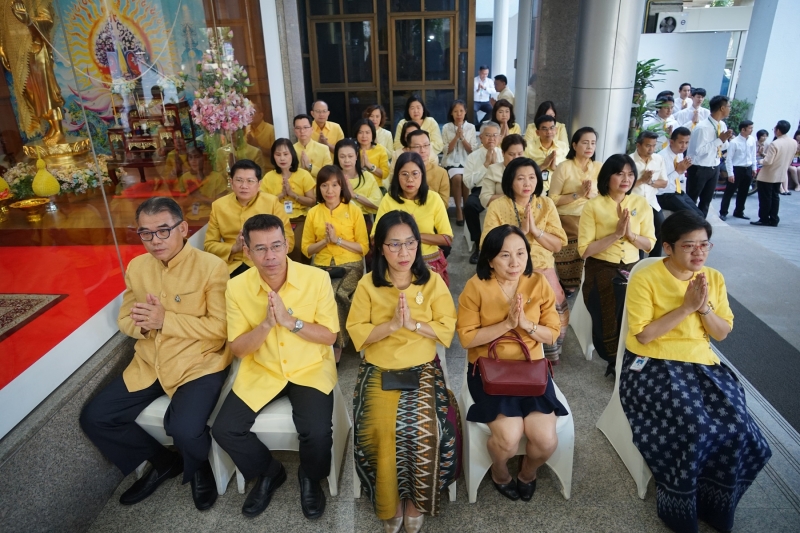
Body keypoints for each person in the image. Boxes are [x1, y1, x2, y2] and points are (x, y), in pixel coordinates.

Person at [619, 210, 771, 533]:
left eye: (705, 245)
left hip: (702, 364)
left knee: (740, 429)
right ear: (668, 248)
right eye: (689, 246)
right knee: (694, 428)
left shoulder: (713, 279)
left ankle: (714, 505)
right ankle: (679, 506)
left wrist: (703, 308)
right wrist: (686, 307)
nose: (699, 252)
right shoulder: (645, 277)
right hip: (652, 365)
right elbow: (644, 335)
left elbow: (721, 333)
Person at [80, 197, 231, 511]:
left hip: (197, 363)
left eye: (163, 231)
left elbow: (221, 328)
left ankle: (198, 468)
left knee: (184, 429)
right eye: (146, 233)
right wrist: (146, 328)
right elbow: (125, 319)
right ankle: (163, 462)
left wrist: (166, 320)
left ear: (183, 228)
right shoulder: (137, 267)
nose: (155, 240)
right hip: (150, 362)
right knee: (96, 418)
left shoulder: (211, 267)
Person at [211, 214, 339, 520]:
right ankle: (269, 471)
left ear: (286, 244)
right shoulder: (236, 287)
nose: (270, 256)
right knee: (224, 429)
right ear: (247, 250)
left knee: (317, 432)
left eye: (276, 246)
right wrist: (267, 325)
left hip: (309, 367)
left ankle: (310, 476)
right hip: (263, 368)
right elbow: (238, 348)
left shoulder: (316, 279)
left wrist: (290, 322)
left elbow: (329, 336)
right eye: (261, 249)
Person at [346, 211, 458, 533]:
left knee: (426, 428)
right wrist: (392, 326)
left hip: (422, 365)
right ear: (380, 248)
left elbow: (447, 327)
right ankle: (389, 500)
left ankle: (415, 501)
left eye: (410, 243)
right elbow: (357, 333)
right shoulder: (368, 284)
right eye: (394, 245)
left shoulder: (432, 281)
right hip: (379, 364)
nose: (404, 252)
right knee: (379, 428)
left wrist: (414, 325)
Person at [457, 224, 568, 502]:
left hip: (531, 370)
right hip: (489, 371)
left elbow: (552, 333)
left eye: (521, 253)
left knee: (545, 440)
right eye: (505, 255)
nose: (515, 262)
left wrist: (525, 325)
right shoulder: (475, 287)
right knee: (508, 437)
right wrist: (506, 324)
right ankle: (500, 471)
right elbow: (467, 339)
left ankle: (527, 472)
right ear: (490, 259)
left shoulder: (538, 282)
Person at [480, 159, 570, 363]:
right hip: (508, 268)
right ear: (510, 181)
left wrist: (536, 232)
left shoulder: (546, 204)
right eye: (520, 178)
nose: (527, 183)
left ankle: (546, 355)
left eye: (532, 177)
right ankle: (511, 350)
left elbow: (557, 246)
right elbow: (486, 245)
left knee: (554, 298)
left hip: (541, 267)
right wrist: (521, 231)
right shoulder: (498, 205)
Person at [578, 153, 655, 376]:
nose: (626, 179)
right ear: (607, 177)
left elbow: (649, 244)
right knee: (616, 293)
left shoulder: (640, 204)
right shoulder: (593, 206)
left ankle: (638, 351)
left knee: (647, 298)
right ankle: (613, 356)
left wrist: (630, 235)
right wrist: (616, 235)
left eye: (630, 174)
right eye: (619, 173)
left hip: (633, 265)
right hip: (601, 265)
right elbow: (584, 251)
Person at [302, 166, 368, 362]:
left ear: (342, 187)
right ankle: (335, 340)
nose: (329, 190)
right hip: (322, 265)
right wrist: (325, 241)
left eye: (334, 185)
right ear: (319, 188)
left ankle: (337, 346)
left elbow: (363, 247)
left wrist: (338, 240)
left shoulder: (353, 210)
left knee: (336, 293)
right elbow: (306, 249)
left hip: (350, 264)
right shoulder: (313, 213)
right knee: (323, 294)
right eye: (324, 185)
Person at [374, 152, 453, 285]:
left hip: (428, 259)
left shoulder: (433, 198)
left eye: (415, 173)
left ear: (422, 175)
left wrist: (413, 235)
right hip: (397, 260)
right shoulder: (388, 200)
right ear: (397, 176)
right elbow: (375, 237)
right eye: (404, 174)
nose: (410, 179)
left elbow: (447, 239)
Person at [204, 159, 294, 276]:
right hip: (232, 266)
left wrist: (265, 250)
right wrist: (233, 248)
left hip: (266, 264)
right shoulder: (218, 206)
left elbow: (289, 242)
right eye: (239, 180)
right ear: (231, 182)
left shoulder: (272, 203)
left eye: (250, 181)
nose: (244, 186)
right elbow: (209, 245)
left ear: (259, 184)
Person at [548, 127, 600, 294]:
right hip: (568, 215)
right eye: (585, 142)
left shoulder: (599, 167)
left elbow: (605, 195)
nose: (589, 146)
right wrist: (578, 194)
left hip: (593, 213)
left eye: (593, 143)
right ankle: (569, 281)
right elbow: (553, 199)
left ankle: (593, 278)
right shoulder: (564, 167)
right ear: (574, 145)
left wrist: (590, 193)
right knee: (577, 235)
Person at [259, 139, 316, 264]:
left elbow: (312, 201)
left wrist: (293, 195)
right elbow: (263, 204)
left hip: (301, 218)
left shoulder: (304, 175)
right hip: (276, 221)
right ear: (273, 157)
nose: (282, 158)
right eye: (278, 155)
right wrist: (281, 195)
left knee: (298, 247)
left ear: (292, 155)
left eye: (286, 154)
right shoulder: (269, 177)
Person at [685, 95, 733, 217]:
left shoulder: (721, 125)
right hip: (699, 168)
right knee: (691, 200)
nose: (730, 109)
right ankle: (688, 226)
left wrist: (725, 139)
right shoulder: (702, 127)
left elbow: (723, 146)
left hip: (714, 166)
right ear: (722, 108)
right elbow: (698, 151)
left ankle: (701, 228)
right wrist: (719, 140)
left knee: (706, 201)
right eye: (728, 106)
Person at [463, 122, 503, 263]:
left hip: (500, 188)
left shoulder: (504, 154)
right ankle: (478, 243)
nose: (491, 139)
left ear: (499, 138)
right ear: (480, 137)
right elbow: (468, 182)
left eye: (494, 135)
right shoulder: (473, 157)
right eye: (487, 135)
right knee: (469, 205)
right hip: (480, 189)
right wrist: (486, 166)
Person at [751, 120, 799, 227]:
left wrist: (760, 161)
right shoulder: (793, 142)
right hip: (781, 173)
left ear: (778, 130)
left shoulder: (775, 143)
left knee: (765, 198)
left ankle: (764, 218)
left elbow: (768, 161)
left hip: (768, 174)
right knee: (775, 197)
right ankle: (774, 219)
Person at [630, 131, 668, 257]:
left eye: (653, 145)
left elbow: (663, 183)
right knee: (637, 233)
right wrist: (641, 180)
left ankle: (654, 260)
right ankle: (638, 262)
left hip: (651, 202)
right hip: (634, 203)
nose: (651, 149)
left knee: (661, 228)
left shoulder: (659, 159)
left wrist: (650, 181)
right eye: (648, 146)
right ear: (638, 145)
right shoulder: (629, 161)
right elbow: (623, 186)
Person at [441, 99, 478, 226]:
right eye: (455, 111)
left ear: (465, 112)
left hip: (467, 161)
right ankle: (458, 210)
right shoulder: (446, 127)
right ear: (451, 113)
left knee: (465, 179)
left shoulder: (471, 127)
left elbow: (472, 150)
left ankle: (467, 209)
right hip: (451, 161)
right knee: (457, 178)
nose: (459, 114)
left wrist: (462, 137)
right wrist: (456, 136)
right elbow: (446, 150)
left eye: (461, 111)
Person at [657, 127, 703, 217]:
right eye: (681, 142)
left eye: (686, 143)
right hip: (664, 195)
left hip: (676, 191)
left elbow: (680, 178)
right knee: (695, 216)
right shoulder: (661, 158)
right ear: (671, 142)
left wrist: (681, 171)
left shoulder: (680, 154)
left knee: (700, 214)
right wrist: (678, 171)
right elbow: (660, 185)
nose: (684, 146)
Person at [333, 138, 383, 219]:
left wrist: (353, 195)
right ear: (337, 158)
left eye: (350, 156)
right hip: (338, 218)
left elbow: (378, 204)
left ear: (356, 156)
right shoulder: (333, 177)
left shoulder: (367, 177)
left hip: (363, 219)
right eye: (342, 157)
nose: (347, 160)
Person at [719, 120, 757, 221]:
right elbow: (729, 159)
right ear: (743, 129)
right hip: (737, 169)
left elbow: (753, 154)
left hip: (747, 168)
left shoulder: (752, 139)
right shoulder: (734, 142)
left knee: (744, 192)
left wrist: (754, 167)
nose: (751, 130)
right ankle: (723, 212)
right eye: (750, 128)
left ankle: (739, 211)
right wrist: (730, 174)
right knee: (729, 192)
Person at [479, 133, 526, 208]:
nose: (516, 158)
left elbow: (540, 194)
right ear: (503, 153)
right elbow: (485, 199)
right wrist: (511, 195)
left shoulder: (530, 169)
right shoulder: (494, 170)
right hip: (500, 212)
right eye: (511, 154)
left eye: (519, 154)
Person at [524, 114, 568, 194]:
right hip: (535, 189)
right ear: (537, 132)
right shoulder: (527, 147)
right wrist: (543, 165)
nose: (549, 132)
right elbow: (522, 171)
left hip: (559, 190)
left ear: (556, 130)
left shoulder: (563, 146)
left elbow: (568, 170)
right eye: (544, 129)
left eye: (552, 128)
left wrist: (555, 167)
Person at [406, 129, 450, 208]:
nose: (422, 150)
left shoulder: (441, 173)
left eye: (426, 145)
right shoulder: (403, 172)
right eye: (417, 146)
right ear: (408, 149)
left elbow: (444, 204)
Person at [293, 114, 332, 178]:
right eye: (298, 128)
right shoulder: (290, 150)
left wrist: (310, 166)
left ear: (312, 129)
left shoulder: (324, 149)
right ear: (294, 131)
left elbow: (328, 175)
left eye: (305, 127)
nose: (302, 131)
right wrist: (301, 169)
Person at [354, 117, 389, 184]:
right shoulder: (352, 149)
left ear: (373, 134)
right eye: (360, 132)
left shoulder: (380, 149)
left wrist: (369, 165)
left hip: (376, 187)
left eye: (367, 132)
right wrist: (360, 167)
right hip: (357, 186)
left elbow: (385, 174)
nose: (364, 136)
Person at [387, 120, 422, 184]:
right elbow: (392, 177)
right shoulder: (396, 154)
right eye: (408, 133)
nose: (412, 136)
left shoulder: (424, 152)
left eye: (414, 133)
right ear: (404, 136)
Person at [246, 102, 275, 171]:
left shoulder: (271, 129)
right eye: (247, 113)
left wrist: (257, 147)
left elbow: (275, 154)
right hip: (250, 170)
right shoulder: (246, 129)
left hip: (268, 170)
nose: (248, 116)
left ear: (260, 115)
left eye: (251, 113)